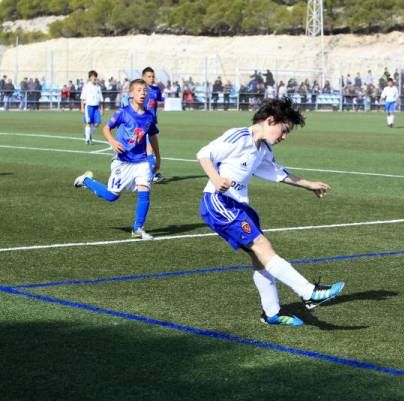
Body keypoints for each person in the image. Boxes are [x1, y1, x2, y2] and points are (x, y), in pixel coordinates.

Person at [196, 97, 345, 326]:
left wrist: (309, 184)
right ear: (270, 120)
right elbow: (204, 154)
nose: (284, 137)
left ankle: (272, 313)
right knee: (263, 246)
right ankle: (308, 292)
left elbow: (279, 173)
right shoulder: (239, 137)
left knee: (260, 257)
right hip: (218, 203)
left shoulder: (262, 149)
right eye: (284, 131)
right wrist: (215, 178)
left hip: (239, 206)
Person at [73, 79, 159, 240]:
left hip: (141, 162)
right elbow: (106, 128)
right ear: (131, 94)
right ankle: (86, 180)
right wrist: (112, 141)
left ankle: (137, 229)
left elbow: (152, 137)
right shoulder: (123, 112)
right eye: (139, 90)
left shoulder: (149, 116)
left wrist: (156, 157)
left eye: (144, 90)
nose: (143, 93)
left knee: (144, 191)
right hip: (123, 162)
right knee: (111, 196)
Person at [141, 67, 166, 184]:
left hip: (152, 123)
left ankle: (154, 169)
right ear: (143, 77)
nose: (151, 79)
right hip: (140, 123)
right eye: (149, 76)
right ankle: (152, 174)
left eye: (152, 76)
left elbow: (160, 99)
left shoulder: (156, 90)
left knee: (154, 147)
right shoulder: (139, 90)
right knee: (147, 149)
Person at [80, 70, 104, 144]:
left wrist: (102, 109)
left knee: (97, 123)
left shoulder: (98, 87)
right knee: (88, 122)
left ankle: (88, 134)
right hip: (89, 107)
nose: (94, 78)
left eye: (95, 76)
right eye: (93, 76)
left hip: (96, 107)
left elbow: (101, 99)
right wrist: (82, 107)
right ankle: (87, 140)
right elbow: (82, 97)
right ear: (90, 78)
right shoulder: (86, 86)